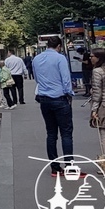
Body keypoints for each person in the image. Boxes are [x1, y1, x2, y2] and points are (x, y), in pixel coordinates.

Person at [32, 36, 75, 175]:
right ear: (59, 46)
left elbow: (37, 79)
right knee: (66, 134)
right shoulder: (60, 58)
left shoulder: (36, 59)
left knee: (51, 134)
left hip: (44, 99)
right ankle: (70, 166)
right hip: (60, 98)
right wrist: (69, 94)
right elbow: (66, 79)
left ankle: (55, 167)